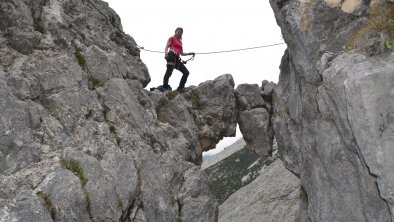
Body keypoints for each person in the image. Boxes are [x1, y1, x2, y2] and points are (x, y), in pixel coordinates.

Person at [162, 27, 195, 92]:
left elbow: (182, 53)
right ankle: (165, 86)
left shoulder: (180, 42)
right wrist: (166, 54)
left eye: (181, 32)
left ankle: (180, 88)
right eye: (178, 32)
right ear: (175, 32)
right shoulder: (172, 38)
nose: (180, 33)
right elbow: (166, 47)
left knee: (186, 72)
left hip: (177, 58)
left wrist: (190, 53)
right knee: (169, 72)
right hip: (171, 55)